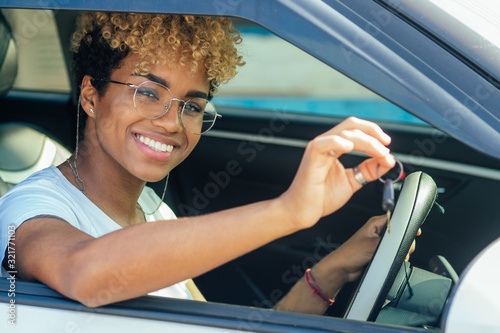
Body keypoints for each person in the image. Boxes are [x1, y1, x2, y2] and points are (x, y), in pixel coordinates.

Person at [0, 12, 396, 315]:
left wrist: (336, 271)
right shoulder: (28, 210)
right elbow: (82, 273)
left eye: (191, 105)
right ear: (90, 95)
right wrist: (289, 211)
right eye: (149, 92)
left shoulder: (157, 216)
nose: (172, 122)